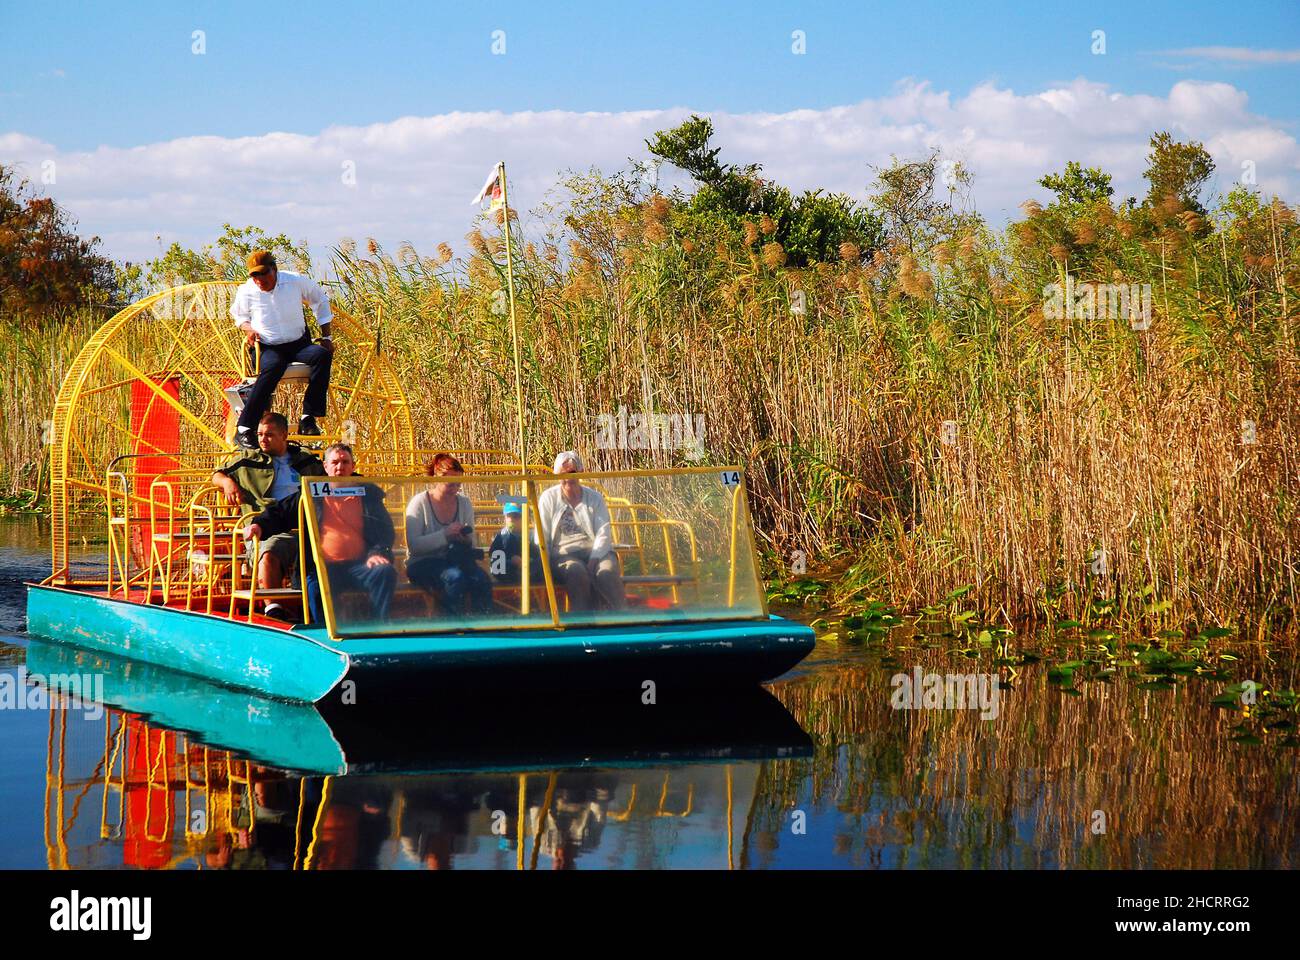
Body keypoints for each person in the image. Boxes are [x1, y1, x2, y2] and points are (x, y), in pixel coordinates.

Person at [241, 442, 396, 624]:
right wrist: (259, 525)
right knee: (315, 586)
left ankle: (379, 625)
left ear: (353, 466)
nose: (340, 467)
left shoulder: (368, 495)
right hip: (324, 567)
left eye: (345, 462)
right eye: (335, 462)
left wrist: (377, 553)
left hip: (360, 564)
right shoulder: (313, 492)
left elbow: (384, 530)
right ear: (325, 466)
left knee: (384, 572)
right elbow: (282, 511)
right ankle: (322, 630)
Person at [212, 412, 324, 619]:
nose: (263, 439)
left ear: (284, 436)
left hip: (307, 524)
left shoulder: (306, 461)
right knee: (269, 551)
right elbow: (217, 474)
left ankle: (325, 606)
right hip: (269, 526)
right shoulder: (249, 460)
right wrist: (228, 483)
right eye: (260, 434)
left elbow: (328, 481)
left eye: (269, 435)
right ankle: (273, 608)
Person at [230, 250, 334, 450]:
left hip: (298, 344)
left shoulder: (293, 281)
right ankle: (244, 428)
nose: (259, 280)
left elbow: (320, 299)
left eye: (263, 274)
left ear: (275, 270)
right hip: (268, 347)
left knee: (321, 355)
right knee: (273, 367)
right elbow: (239, 316)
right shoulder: (246, 290)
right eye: (254, 275)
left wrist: (326, 337)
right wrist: (248, 329)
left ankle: (308, 418)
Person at [535, 451, 625, 611]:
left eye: (572, 472)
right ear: (556, 475)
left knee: (607, 571)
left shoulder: (595, 498)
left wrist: (594, 559)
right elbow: (542, 534)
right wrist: (544, 565)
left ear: (580, 472)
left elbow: (603, 533)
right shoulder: (548, 498)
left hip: (596, 552)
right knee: (576, 572)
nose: (568, 477)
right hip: (564, 554)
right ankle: (583, 621)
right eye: (563, 474)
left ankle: (623, 618)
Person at [404, 453, 493, 615]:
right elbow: (414, 546)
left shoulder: (464, 503)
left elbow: (471, 541)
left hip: (456, 558)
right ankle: (451, 623)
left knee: (481, 579)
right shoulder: (419, 503)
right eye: (450, 484)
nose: (455, 488)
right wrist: (445, 535)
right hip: (423, 562)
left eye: (458, 484)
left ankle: (482, 622)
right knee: (454, 577)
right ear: (436, 478)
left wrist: (464, 539)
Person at [488, 501, 542, 585]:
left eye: (516, 516)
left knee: (539, 568)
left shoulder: (531, 537)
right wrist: (510, 560)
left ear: (526, 518)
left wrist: (527, 561)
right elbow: (494, 559)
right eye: (508, 516)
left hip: (529, 572)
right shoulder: (501, 537)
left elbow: (537, 556)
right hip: (507, 574)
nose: (511, 520)